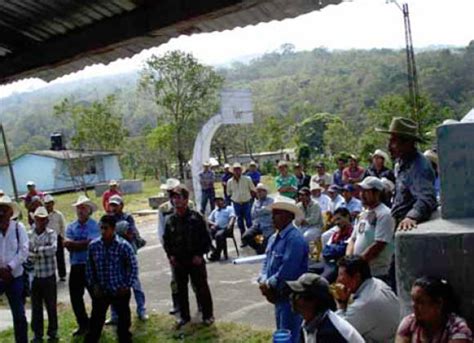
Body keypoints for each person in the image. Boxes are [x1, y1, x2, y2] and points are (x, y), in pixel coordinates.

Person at [259, 196, 309, 343]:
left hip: (291, 296)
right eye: (272, 214)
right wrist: (263, 280)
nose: (272, 218)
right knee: (283, 330)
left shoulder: (295, 239)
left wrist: (268, 284)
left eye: (277, 214)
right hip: (277, 294)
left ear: (289, 216)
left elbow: (288, 271)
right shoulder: (274, 237)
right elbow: (266, 262)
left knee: (290, 333)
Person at [163, 186, 214, 329]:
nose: (176, 200)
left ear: (186, 200)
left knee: (201, 288)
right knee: (180, 290)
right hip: (179, 262)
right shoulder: (170, 220)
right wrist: (170, 256)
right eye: (173, 198)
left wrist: (200, 255)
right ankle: (184, 317)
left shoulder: (196, 217)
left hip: (195, 260)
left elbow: (206, 239)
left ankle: (207, 315)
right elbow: (166, 240)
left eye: (179, 197)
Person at [377, 117, 437, 230]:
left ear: (408, 143)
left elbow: (427, 197)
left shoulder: (419, 166)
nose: (389, 146)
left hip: (408, 227)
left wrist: (411, 216)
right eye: (389, 141)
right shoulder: (402, 163)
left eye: (393, 141)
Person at [85, 215, 138, 343]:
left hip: (119, 290)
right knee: (95, 323)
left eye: (106, 228)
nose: (103, 231)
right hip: (102, 291)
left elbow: (133, 267)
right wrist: (94, 285)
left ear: (113, 229)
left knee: (124, 324)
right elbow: (89, 268)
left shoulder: (123, 246)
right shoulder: (94, 246)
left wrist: (126, 285)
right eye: (101, 228)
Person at [334, 256, 400, 342]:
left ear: (357, 277)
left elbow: (339, 332)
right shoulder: (377, 282)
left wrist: (341, 303)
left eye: (341, 275)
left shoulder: (363, 305)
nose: (338, 280)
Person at [157, 178, 198, 316]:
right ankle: (178, 305)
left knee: (196, 280)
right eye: (169, 192)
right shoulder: (163, 209)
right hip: (175, 251)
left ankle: (200, 305)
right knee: (176, 280)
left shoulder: (190, 205)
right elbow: (162, 231)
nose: (171, 194)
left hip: (191, 248)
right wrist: (169, 253)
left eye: (173, 191)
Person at [286, 273, 364, 343]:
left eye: (298, 295)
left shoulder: (330, 333)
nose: (292, 298)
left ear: (314, 302)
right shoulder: (311, 321)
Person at [106, 195, 148, 324]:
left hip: (128, 254)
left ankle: (141, 310)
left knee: (135, 283)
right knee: (113, 286)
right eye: (111, 205)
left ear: (121, 206)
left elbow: (132, 233)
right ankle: (114, 315)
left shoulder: (127, 218)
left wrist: (125, 233)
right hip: (113, 255)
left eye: (115, 205)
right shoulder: (107, 218)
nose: (113, 207)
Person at [64, 195, 100, 337]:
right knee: (75, 297)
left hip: (90, 265)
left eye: (83, 207)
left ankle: (95, 324)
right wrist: (81, 244)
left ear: (89, 210)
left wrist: (75, 243)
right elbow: (68, 246)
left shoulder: (95, 225)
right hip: (76, 266)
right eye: (78, 207)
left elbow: (92, 244)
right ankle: (83, 324)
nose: (80, 210)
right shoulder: (71, 226)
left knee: (96, 296)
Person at [346, 177, 395, 281]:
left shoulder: (384, 214)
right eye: (361, 191)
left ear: (377, 193)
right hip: (360, 271)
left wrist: (357, 264)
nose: (362, 194)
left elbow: (379, 244)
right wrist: (348, 261)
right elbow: (353, 239)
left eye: (366, 191)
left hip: (377, 273)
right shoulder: (362, 214)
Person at [396, 276, 473, 343]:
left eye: (420, 302)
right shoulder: (409, 323)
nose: (414, 306)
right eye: (413, 300)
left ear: (439, 303)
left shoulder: (457, 328)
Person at [0, 195, 29, 343]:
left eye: (4, 210)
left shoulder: (19, 228)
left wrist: (9, 268)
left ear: (11, 212)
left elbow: (24, 251)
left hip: (15, 276)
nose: (1, 213)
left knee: (18, 313)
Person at [29, 206, 58, 343]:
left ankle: (53, 332)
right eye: (38, 219)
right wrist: (40, 251)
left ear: (46, 220)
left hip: (49, 275)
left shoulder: (51, 233)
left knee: (51, 305)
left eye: (43, 219)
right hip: (35, 276)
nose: (40, 221)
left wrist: (36, 250)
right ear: (34, 219)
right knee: (36, 307)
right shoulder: (29, 234)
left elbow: (53, 250)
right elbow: (27, 255)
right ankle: (37, 334)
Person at [312, 207, 353, 283]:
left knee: (320, 281)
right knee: (306, 271)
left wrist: (333, 249)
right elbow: (325, 251)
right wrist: (335, 249)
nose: (337, 222)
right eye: (335, 220)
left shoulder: (352, 233)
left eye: (339, 219)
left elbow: (342, 250)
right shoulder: (335, 234)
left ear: (347, 217)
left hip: (337, 265)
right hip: (327, 262)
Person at [227, 162, 256, 246]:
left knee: (249, 221)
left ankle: (253, 239)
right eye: (235, 170)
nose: (237, 171)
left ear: (241, 170)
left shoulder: (247, 179)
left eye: (238, 170)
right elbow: (228, 193)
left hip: (247, 202)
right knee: (240, 223)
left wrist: (252, 200)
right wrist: (233, 199)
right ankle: (244, 240)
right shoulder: (230, 181)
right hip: (236, 203)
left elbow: (253, 189)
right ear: (233, 171)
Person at [241, 183, 274, 254]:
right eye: (257, 191)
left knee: (262, 248)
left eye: (260, 191)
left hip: (268, 226)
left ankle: (262, 247)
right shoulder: (256, 202)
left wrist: (260, 211)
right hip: (257, 225)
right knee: (246, 236)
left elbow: (268, 210)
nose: (258, 193)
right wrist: (263, 210)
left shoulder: (271, 201)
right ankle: (259, 246)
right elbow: (252, 215)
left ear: (265, 192)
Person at [43, 194, 67, 282]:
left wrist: (63, 238)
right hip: (47, 238)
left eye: (49, 203)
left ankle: (62, 275)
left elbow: (63, 226)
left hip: (57, 237)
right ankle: (50, 275)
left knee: (60, 257)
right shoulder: (44, 215)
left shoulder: (58, 214)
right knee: (48, 258)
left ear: (53, 204)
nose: (48, 205)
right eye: (46, 203)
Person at [207, 196, 236, 261]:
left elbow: (232, 217)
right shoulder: (215, 211)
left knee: (218, 235)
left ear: (223, 201)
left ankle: (216, 254)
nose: (217, 202)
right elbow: (208, 220)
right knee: (205, 235)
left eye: (219, 201)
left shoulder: (229, 208)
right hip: (216, 228)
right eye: (216, 201)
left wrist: (230, 225)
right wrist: (213, 224)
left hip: (225, 228)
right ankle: (214, 251)